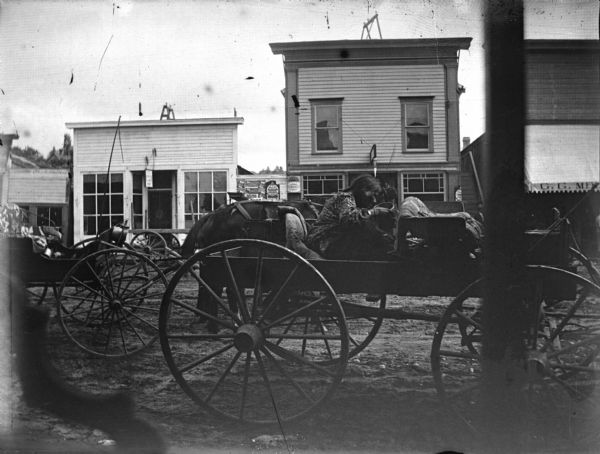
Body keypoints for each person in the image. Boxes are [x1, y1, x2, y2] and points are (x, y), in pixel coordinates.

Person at [306, 174, 395, 261]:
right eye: (372, 195)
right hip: (323, 241)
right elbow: (350, 221)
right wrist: (375, 212)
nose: (374, 200)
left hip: (332, 240)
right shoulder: (344, 198)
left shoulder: (355, 202)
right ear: (362, 189)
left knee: (379, 239)